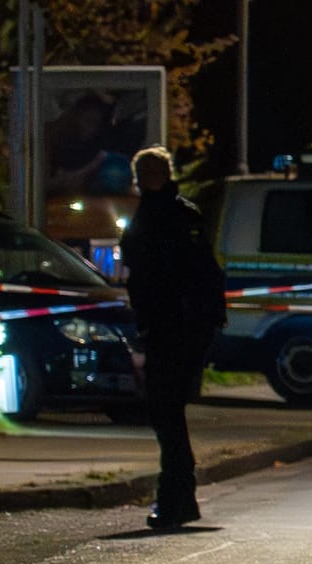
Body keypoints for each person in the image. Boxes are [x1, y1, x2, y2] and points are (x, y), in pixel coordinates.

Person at [120, 145, 228, 529]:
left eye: (150, 171)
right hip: (186, 327)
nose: (146, 179)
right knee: (170, 413)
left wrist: (156, 321)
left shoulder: (157, 216)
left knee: (165, 413)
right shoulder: (184, 212)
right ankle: (182, 498)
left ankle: (174, 500)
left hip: (171, 328)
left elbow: (157, 277)